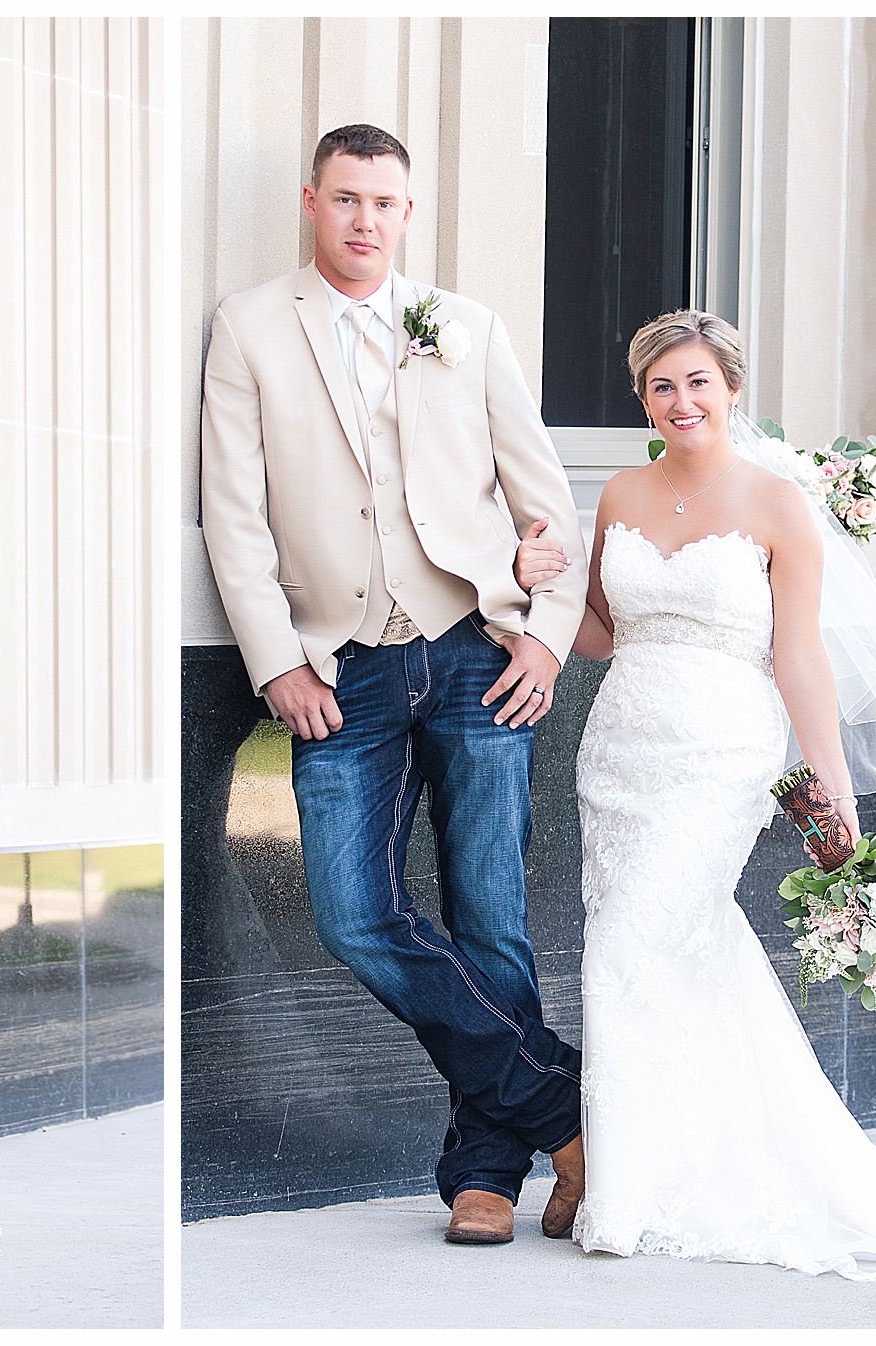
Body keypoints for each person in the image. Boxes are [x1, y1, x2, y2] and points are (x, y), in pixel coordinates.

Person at [515, 309, 876, 1280]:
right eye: (661, 386)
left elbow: (798, 653)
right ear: (643, 399)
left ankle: (630, 1189)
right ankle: (667, 1160)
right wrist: (534, 587)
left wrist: (829, 789)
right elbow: (598, 629)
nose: (681, 401)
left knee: (643, 937)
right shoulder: (620, 495)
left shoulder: (775, 504)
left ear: (730, 390)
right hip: (622, 753)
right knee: (645, 949)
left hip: (722, 753)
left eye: (698, 382)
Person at [199, 123, 590, 1245]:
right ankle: (563, 1110)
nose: (366, 218)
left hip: (477, 649)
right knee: (355, 912)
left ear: (407, 214)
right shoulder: (251, 325)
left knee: (492, 918)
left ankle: (484, 1174)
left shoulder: (466, 327)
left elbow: (543, 496)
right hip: (341, 664)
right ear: (311, 202)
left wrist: (549, 639)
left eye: (386, 202)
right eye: (347, 198)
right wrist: (274, 655)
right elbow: (234, 510)